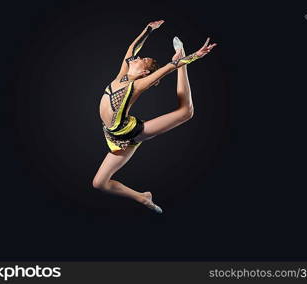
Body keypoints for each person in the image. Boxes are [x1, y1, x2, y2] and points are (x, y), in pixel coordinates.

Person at [93, 20, 217, 213]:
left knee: (186, 112)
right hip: (113, 136)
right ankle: (143, 197)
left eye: (143, 60)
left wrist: (192, 57)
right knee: (99, 183)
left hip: (129, 132)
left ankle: (182, 57)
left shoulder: (137, 85)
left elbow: (169, 67)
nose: (138, 57)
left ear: (143, 72)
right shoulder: (122, 75)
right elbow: (133, 48)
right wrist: (148, 29)